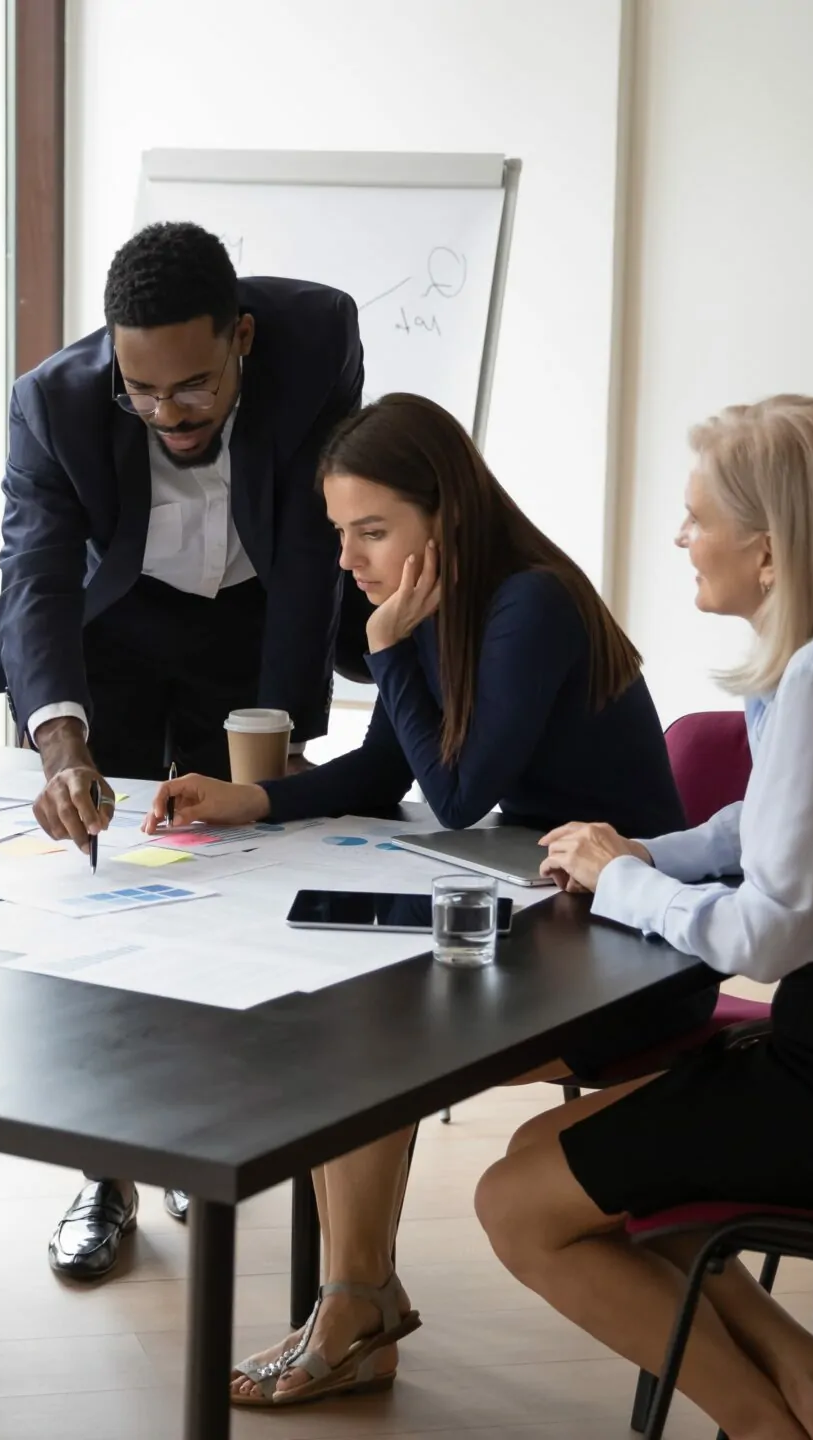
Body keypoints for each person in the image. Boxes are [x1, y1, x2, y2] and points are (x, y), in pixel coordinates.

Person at [477, 396, 813, 1440]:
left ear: (767, 550)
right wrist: (637, 856)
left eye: (695, 518)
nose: (680, 539)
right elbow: (764, 819)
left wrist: (624, 882)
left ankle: (771, 1429)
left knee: (516, 1207)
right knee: (564, 1155)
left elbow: (763, 939)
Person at [144, 393, 706, 1406]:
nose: (350, 558)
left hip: (633, 955)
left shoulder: (529, 602)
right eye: (340, 534)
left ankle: (354, 1310)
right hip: (550, 915)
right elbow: (377, 773)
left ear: (441, 516)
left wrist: (391, 645)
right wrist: (249, 799)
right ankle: (354, 1304)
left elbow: (455, 794)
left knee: (371, 1035)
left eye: (371, 531)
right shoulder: (451, 601)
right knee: (345, 1008)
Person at [0, 220, 365, 1281]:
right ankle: (103, 1168)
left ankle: (202, 1140)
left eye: (191, 388)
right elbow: (37, 579)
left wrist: (282, 732)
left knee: (235, 883)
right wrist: (60, 747)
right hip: (120, 636)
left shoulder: (318, 341)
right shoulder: (52, 403)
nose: (165, 416)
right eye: (141, 393)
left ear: (239, 338)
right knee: (108, 894)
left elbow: (321, 544)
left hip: (254, 626)